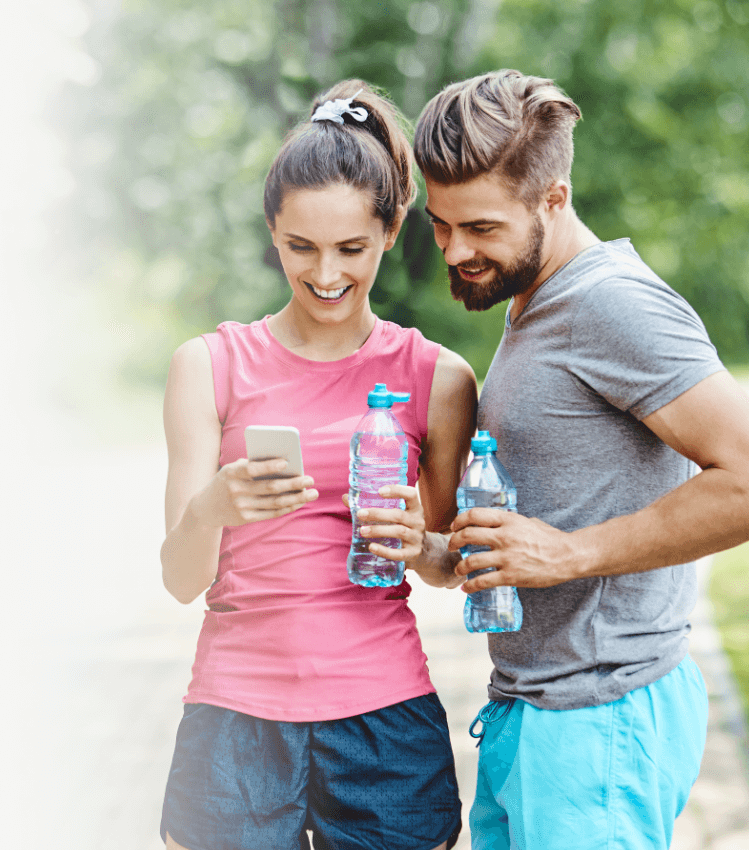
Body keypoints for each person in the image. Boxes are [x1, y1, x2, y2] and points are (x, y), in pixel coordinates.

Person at [413, 69, 749, 850]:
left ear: (554, 198)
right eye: (440, 224)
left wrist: (572, 554)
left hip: (597, 726)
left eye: (482, 228)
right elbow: (552, 510)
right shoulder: (536, 297)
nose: (455, 250)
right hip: (537, 712)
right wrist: (436, 550)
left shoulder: (613, 303)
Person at [159, 80, 476, 850]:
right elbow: (179, 578)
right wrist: (213, 509)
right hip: (235, 720)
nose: (326, 273)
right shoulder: (209, 366)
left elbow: (445, 563)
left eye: (350, 249)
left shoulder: (437, 378)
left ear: (391, 231)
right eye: (301, 247)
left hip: (383, 721)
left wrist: (421, 544)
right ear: (273, 230)